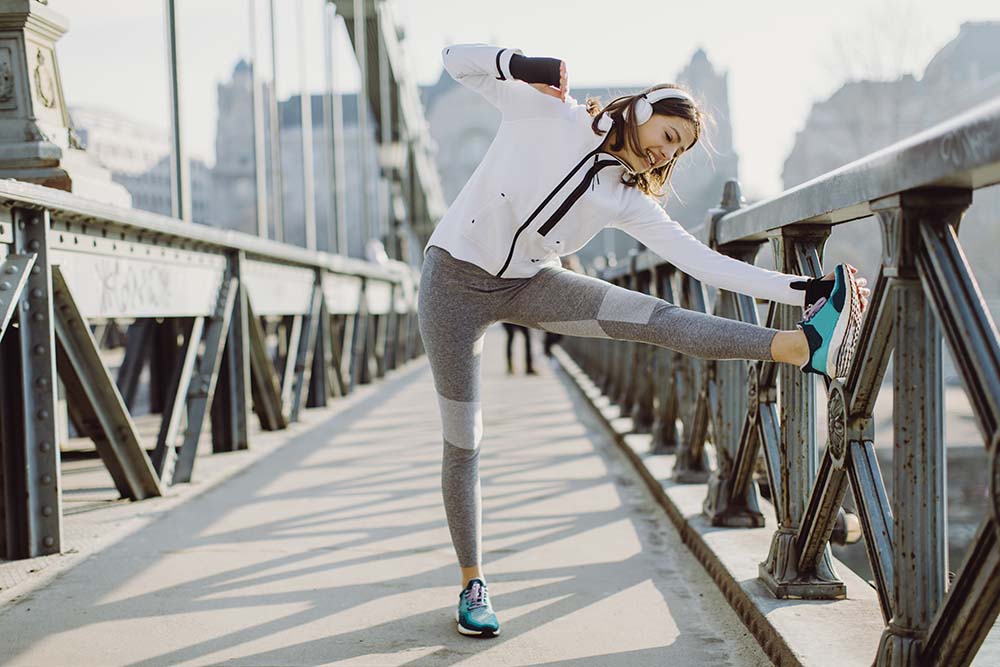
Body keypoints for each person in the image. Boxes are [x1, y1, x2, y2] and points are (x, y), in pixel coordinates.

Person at [416, 44, 870, 638]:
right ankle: (473, 581)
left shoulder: (629, 198)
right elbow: (454, 60)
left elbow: (708, 266)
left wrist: (804, 287)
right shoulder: (547, 113)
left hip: (527, 285)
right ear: (646, 107)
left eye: (678, 147)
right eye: (669, 132)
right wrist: (521, 64)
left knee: (655, 316)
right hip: (450, 284)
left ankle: (800, 345)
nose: (668, 149)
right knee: (464, 438)